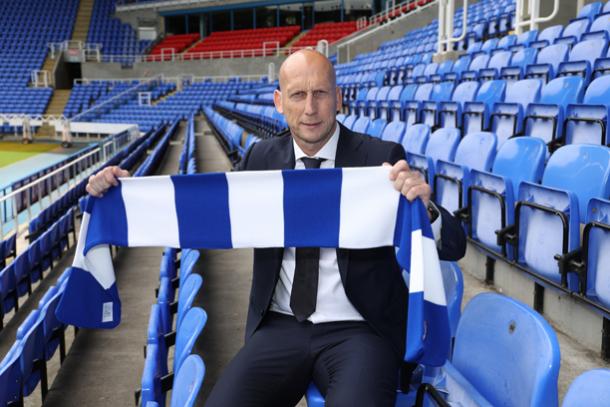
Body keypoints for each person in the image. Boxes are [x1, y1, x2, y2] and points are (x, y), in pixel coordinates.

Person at [87, 50, 466, 407]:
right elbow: (205, 212)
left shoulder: (380, 159)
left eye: (320, 93)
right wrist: (122, 193)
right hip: (281, 326)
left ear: (338, 97)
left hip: (360, 330)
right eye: (298, 95)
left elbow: (455, 245)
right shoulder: (261, 159)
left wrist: (425, 207)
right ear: (279, 102)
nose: (310, 108)